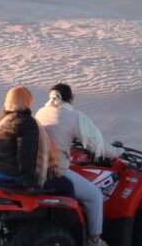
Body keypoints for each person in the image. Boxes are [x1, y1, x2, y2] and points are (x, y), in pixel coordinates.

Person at [35, 84, 125, 246]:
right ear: (70, 99)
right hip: (58, 170)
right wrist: (118, 152)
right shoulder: (73, 117)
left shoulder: (40, 112)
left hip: (36, 168)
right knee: (95, 196)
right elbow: (96, 145)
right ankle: (94, 240)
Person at [0, 87, 74, 197]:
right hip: (13, 175)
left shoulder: (3, 118)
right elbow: (26, 157)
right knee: (67, 186)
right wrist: (30, 183)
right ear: (27, 101)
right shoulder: (26, 123)